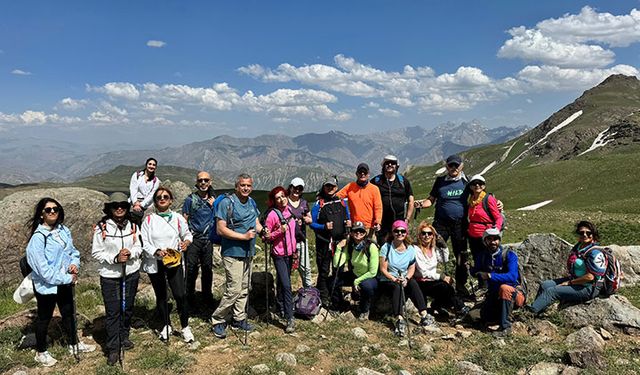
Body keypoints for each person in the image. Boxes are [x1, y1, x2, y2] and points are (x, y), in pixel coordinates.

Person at [26, 198, 96, 367]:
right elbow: (43, 271)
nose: (52, 212)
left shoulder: (63, 230)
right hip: (47, 286)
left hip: (64, 281)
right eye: (48, 210)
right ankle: (41, 352)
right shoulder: (38, 238)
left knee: (68, 313)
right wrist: (67, 278)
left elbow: (73, 252)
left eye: (55, 209)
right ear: (41, 214)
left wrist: (74, 264)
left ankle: (74, 344)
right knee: (44, 318)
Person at [211, 174, 266, 339]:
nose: (246, 188)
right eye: (242, 185)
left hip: (248, 251)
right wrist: (243, 237)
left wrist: (263, 231)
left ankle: (239, 318)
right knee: (234, 289)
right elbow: (221, 229)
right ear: (236, 187)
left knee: (243, 287)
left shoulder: (251, 202)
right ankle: (218, 319)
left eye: (248, 185)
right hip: (232, 251)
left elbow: (255, 222)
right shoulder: (227, 203)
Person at [91, 192, 142, 366]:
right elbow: (96, 252)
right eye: (115, 205)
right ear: (110, 208)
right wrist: (115, 258)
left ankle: (124, 337)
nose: (119, 208)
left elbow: (138, 246)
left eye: (122, 205)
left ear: (127, 207)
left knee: (127, 307)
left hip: (131, 272)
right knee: (113, 311)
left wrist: (130, 254)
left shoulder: (133, 225)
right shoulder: (102, 227)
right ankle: (113, 347)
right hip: (110, 275)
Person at [141, 187, 194, 343]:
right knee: (161, 295)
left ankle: (185, 327)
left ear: (171, 200)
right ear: (155, 202)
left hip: (174, 262)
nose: (162, 199)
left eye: (165, 196)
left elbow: (187, 234)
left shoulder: (178, 218)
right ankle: (165, 325)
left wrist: (186, 243)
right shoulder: (149, 220)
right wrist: (156, 251)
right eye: (159, 197)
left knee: (180, 295)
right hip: (155, 263)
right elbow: (144, 242)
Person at [415, 154, 470, 296]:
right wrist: (420, 204)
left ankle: (460, 284)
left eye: (456, 165)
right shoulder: (440, 181)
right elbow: (431, 200)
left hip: (460, 224)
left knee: (461, 255)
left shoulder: (466, 182)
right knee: (433, 251)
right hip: (441, 223)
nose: (453, 168)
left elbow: (477, 196)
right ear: (446, 166)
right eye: (450, 165)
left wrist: (495, 204)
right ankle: (432, 281)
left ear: (461, 166)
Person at [526, 221, 606, 316]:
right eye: (581, 233)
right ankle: (538, 309)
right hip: (576, 280)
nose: (585, 235)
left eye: (588, 233)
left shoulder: (595, 252)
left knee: (552, 291)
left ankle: (529, 313)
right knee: (545, 285)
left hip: (588, 287)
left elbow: (590, 277)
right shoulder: (578, 248)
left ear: (593, 235)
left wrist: (569, 283)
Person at [378, 220, 436, 337]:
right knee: (397, 287)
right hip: (388, 279)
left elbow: (411, 268)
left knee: (413, 283)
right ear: (392, 233)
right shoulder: (387, 247)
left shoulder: (410, 249)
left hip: (404, 277)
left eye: (402, 231)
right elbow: (383, 269)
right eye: (397, 231)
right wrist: (394, 278)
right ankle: (399, 318)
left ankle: (424, 314)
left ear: (406, 233)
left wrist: (407, 278)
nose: (400, 233)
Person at [471, 228, 524, 337]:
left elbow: (513, 277)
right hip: (494, 296)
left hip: (514, 294)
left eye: (496, 239)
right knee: (474, 316)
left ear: (499, 240)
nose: (493, 242)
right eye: (489, 239)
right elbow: (476, 272)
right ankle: (497, 318)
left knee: (505, 288)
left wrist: (490, 275)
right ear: (485, 241)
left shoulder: (509, 255)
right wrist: (467, 267)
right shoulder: (483, 256)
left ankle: (506, 326)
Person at [414, 221, 468, 318]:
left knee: (447, 286)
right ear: (420, 235)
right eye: (424, 233)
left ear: (433, 236)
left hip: (432, 280)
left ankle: (439, 305)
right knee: (445, 287)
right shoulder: (416, 249)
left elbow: (444, 259)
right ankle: (460, 308)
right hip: (421, 281)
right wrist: (441, 276)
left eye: (429, 234)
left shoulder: (433, 249)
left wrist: (444, 246)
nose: (426, 236)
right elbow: (422, 271)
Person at [310, 177, 351, 307]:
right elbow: (311, 223)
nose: (330, 188)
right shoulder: (319, 204)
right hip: (324, 243)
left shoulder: (342, 202)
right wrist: (323, 227)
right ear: (324, 187)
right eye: (327, 186)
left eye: (332, 186)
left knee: (337, 270)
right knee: (323, 270)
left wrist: (349, 224)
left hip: (340, 244)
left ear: (337, 187)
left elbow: (348, 217)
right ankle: (323, 297)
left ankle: (336, 296)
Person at [264, 186, 297, 333]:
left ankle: (280, 306)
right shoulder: (272, 215)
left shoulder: (290, 210)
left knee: (283, 281)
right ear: (274, 201)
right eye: (278, 197)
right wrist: (279, 231)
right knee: (287, 285)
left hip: (290, 254)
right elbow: (266, 236)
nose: (282, 199)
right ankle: (290, 318)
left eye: (283, 196)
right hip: (278, 254)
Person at [332, 221, 379, 320]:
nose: (358, 233)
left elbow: (373, 272)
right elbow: (337, 264)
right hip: (355, 274)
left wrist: (357, 281)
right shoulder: (350, 246)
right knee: (333, 281)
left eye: (361, 231)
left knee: (366, 286)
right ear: (352, 233)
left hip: (369, 277)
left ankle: (364, 310)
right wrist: (339, 248)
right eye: (356, 231)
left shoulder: (371, 246)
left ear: (365, 233)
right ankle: (339, 305)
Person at [182, 171, 216, 307]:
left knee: (207, 269)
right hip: (194, 239)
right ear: (196, 183)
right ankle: (189, 298)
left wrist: (215, 205)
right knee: (191, 268)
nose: (203, 183)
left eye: (206, 180)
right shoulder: (190, 200)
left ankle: (207, 297)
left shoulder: (214, 201)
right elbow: (185, 219)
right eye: (200, 180)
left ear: (210, 182)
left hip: (208, 239)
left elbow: (219, 217)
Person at [466, 174, 503, 287]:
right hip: (473, 235)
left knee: (487, 260)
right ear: (471, 186)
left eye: (480, 183)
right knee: (478, 260)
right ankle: (483, 285)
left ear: (484, 186)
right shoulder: (471, 200)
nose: (477, 185)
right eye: (474, 183)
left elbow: (498, 217)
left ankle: (491, 285)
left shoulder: (488, 199)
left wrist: (495, 230)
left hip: (485, 235)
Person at [371, 155, 415, 243]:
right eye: (387, 163)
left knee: (399, 245)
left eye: (393, 163)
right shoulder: (376, 181)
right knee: (383, 245)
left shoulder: (403, 181)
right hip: (382, 222)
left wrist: (407, 219)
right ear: (383, 166)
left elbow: (411, 200)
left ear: (397, 166)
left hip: (399, 220)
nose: (390, 165)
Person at [337, 163, 382, 241]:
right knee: (356, 251)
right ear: (356, 174)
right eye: (360, 172)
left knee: (371, 251)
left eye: (365, 172)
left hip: (369, 227)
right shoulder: (350, 186)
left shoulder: (374, 189)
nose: (362, 174)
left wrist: (378, 221)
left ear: (368, 174)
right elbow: (337, 197)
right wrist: (323, 195)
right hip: (355, 227)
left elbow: (378, 207)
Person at [287, 177, 313, 288]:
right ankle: (284, 294)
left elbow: (310, 218)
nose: (297, 191)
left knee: (305, 268)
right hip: (286, 242)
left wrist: (307, 220)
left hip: (301, 240)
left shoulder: (304, 203)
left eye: (300, 189)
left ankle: (308, 291)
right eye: (295, 188)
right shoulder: (284, 202)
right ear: (290, 188)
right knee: (287, 269)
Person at [129, 158, 161, 225]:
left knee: (147, 223)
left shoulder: (156, 181)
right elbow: (133, 189)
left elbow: (152, 195)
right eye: (150, 164)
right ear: (146, 165)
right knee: (130, 220)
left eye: (154, 165)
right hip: (134, 202)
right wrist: (135, 203)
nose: (151, 166)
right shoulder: (137, 175)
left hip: (147, 205)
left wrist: (141, 205)